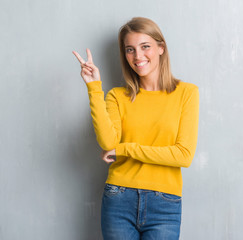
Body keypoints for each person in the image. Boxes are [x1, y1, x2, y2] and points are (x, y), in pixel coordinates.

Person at [73, 17, 199, 240]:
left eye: (145, 47)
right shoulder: (116, 96)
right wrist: (94, 87)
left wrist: (125, 149)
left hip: (165, 205)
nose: (138, 56)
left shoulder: (186, 93)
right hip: (119, 199)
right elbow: (108, 143)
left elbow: (183, 155)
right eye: (130, 50)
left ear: (161, 48)